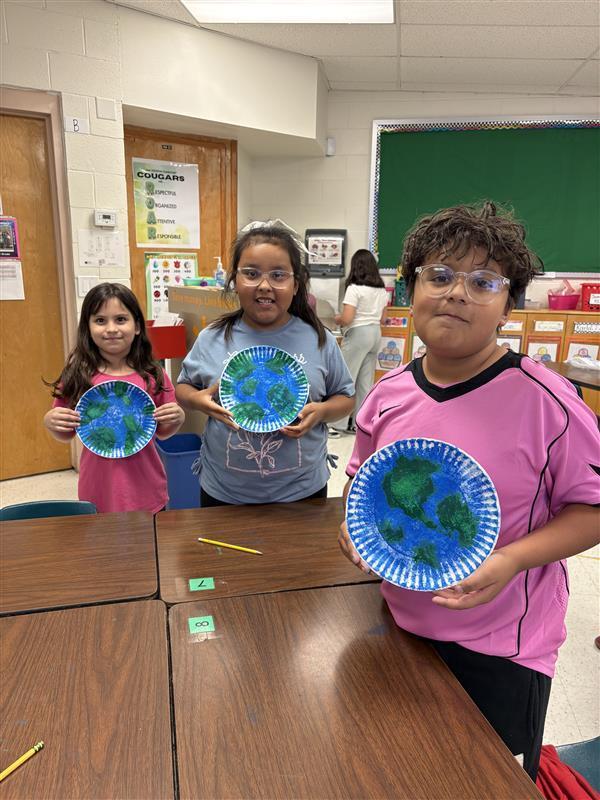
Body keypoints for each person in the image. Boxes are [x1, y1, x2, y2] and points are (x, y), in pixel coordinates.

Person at [338, 202, 600, 781]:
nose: (457, 292)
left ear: (509, 306)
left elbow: (593, 508)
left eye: (483, 282)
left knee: (487, 783)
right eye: (439, 275)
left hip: (500, 647)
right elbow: (361, 480)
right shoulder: (388, 394)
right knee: (404, 774)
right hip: (399, 625)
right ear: (410, 291)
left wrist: (512, 559)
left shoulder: (547, 401)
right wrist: (354, 530)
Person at [175, 224, 354, 506]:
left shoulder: (319, 339)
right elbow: (184, 387)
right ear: (234, 281)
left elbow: (346, 398)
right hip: (224, 491)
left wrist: (322, 411)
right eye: (251, 273)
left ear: (296, 285)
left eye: (278, 275)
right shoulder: (213, 337)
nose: (264, 285)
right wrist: (197, 400)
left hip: (302, 491)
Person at [43, 282, 184, 513]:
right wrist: (51, 421)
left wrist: (177, 418)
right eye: (100, 320)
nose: (111, 328)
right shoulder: (77, 374)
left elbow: (163, 431)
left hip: (147, 489)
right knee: (103, 537)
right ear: (87, 327)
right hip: (97, 490)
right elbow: (65, 432)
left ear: (137, 326)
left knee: (148, 537)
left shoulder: (153, 374)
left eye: (120, 319)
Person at [330, 248, 388, 436]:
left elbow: (347, 318)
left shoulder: (354, 289)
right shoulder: (382, 290)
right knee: (365, 383)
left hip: (358, 334)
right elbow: (384, 318)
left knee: (345, 379)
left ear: (356, 266)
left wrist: (337, 318)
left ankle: (336, 425)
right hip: (375, 334)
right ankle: (359, 424)